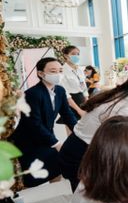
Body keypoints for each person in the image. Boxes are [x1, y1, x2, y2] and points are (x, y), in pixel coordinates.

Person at [10, 57, 78, 187]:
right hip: (29, 140)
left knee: (57, 167)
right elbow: (34, 124)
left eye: (60, 70)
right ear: (41, 73)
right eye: (53, 71)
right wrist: (56, 143)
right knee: (34, 176)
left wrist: (79, 130)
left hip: (46, 135)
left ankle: (54, 194)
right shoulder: (32, 94)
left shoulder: (60, 90)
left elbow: (67, 114)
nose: (58, 74)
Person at [59, 45, 87, 120]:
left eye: (78, 54)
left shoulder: (79, 69)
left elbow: (84, 87)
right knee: (73, 128)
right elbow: (66, 94)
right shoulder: (62, 71)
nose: (76, 56)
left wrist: (87, 101)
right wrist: (79, 110)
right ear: (66, 55)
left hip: (81, 99)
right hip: (70, 103)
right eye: (73, 54)